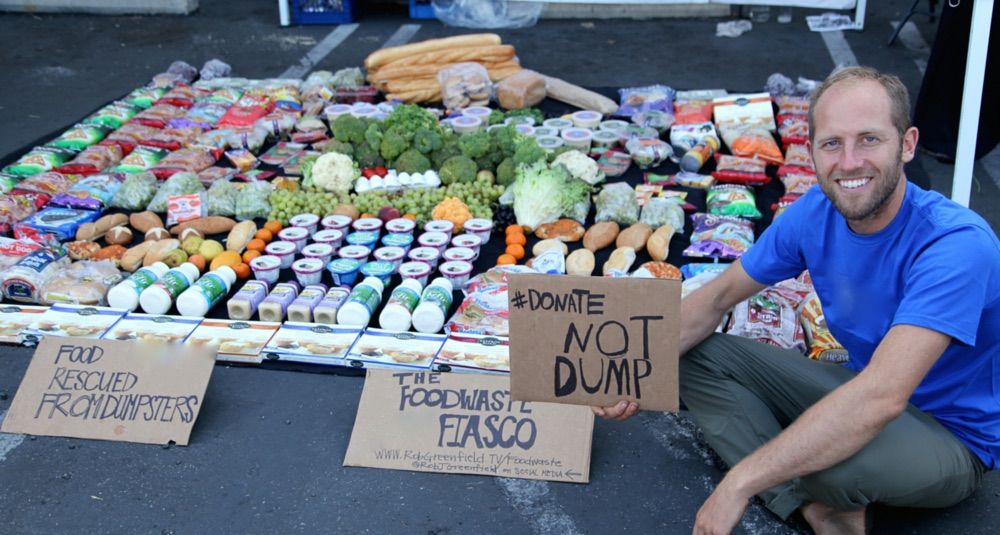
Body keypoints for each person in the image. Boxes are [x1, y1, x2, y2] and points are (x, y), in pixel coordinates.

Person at [593, 66, 999, 535]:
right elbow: (717, 297)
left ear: (906, 145)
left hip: (951, 437)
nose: (849, 162)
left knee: (833, 467)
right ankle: (815, 508)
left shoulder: (955, 245)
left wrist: (739, 483)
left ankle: (809, 489)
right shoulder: (815, 213)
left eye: (869, 139)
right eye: (832, 143)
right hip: (860, 389)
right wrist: (631, 373)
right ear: (811, 152)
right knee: (689, 351)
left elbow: (884, 397)